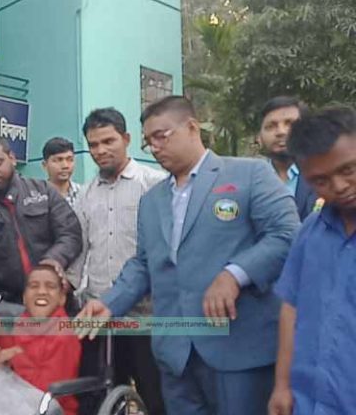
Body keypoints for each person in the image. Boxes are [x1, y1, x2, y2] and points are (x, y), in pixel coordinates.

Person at [76, 96, 300, 415]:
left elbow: (287, 235)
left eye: (161, 136)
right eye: (148, 141)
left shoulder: (249, 175)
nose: (154, 148)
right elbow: (144, 264)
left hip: (236, 349)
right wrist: (110, 302)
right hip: (176, 355)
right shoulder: (152, 200)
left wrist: (235, 274)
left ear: (192, 127)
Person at [66, 107, 166, 415]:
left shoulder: (155, 184)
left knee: (155, 396)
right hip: (98, 315)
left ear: (126, 139)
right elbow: (79, 250)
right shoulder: (85, 194)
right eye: (93, 145)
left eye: (108, 141)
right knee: (104, 398)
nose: (100, 150)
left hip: (146, 316)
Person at [268, 107, 356, 415]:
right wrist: (281, 385)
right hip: (308, 400)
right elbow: (290, 308)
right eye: (321, 180)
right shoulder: (310, 232)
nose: (340, 186)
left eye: (348, 170)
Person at [0, 136, 82, 350]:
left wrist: (52, 262)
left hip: (58, 306)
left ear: (12, 159)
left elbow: (71, 233)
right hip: (10, 313)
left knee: (64, 367)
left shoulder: (43, 192)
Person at [0, 264, 81, 415]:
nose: (41, 292)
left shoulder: (64, 335)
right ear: (24, 298)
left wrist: (14, 357)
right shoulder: (23, 322)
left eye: (50, 286)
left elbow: (46, 391)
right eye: (34, 286)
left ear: (61, 298)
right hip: (15, 402)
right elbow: (10, 348)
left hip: (51, 408)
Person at [257, 96, 319, 220]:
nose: (281, 132)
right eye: (270, 126)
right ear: (259, 136)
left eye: (290, 124)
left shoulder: (324, 175)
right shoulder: (251, 179)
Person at [42, 137, 81, 208]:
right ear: (45, 165)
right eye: (59, 160)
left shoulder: (84, 194)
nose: (65, 166)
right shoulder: (38, 197)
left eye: (70, 159)